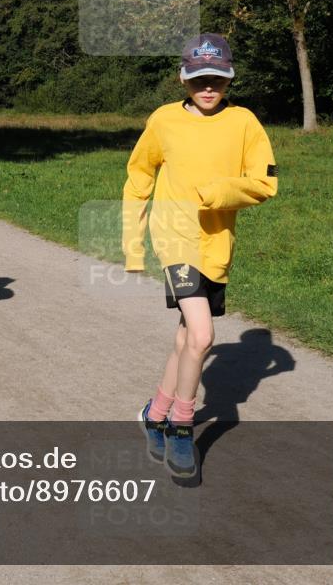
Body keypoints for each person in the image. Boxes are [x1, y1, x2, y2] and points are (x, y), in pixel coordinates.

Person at [122, 34, 278, 478]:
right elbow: (139, 175)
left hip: (217, 242)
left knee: (185, 338)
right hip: (174, 238)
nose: (207, 88)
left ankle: (154, 412)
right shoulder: (164, 120)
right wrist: (133, 244)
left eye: (217, 80)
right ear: (183, 78)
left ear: (228, 78)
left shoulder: (245, 122)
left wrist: (219, 192)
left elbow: (265, 182)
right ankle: (180, 428)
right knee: (204, 337)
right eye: (198, 80)